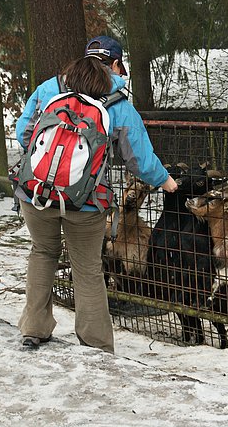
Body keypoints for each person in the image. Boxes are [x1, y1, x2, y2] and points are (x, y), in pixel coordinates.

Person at [15, 35, 177, 352]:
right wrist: (166, 182)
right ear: (115, 64)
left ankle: (34, 328)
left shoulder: (49, 89)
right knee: (87, 268)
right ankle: (96, 343)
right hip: (86, 202)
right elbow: (139, 160)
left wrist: (54, 164)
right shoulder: (118, 103)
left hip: (36, 193)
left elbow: (24, 134)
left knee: (42, 253)